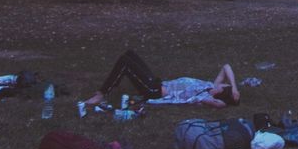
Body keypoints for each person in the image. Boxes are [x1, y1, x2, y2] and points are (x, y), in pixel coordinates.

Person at [82, 49, 240, 108]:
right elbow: (226, 67)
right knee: (129, 54)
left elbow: (221, 105)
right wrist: (235, 88)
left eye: (225, 85)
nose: (223, 83)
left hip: (154, 91)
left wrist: (230, 97)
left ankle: (101, 94)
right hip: (157, 82)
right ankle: (104, 91)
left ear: (221, 91)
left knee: (124, 63)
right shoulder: (210, 85)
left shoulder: (206, 98)